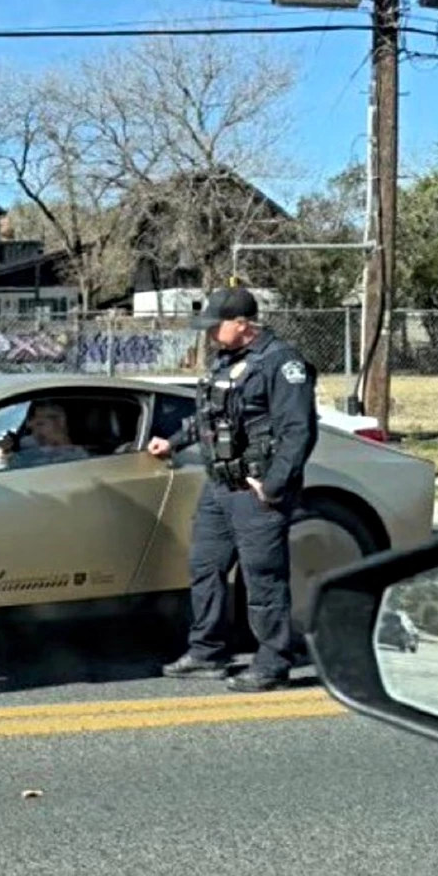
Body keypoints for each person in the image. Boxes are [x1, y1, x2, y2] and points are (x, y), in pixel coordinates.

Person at [146, 285, 318, 691]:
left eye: (215, 325)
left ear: (242, 323)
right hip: (220, 486)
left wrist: (273, 486)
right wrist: (173, 442)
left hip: (256, 490)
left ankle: (273, 663)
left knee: (263, 577)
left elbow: (299, 432)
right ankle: (207, 652)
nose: (209, 333)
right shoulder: (227, 361)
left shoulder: (282, 363)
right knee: (205, 567)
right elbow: (210, 416)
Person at [0, 400, 90, 471]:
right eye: (36, 418)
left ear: (63, 422)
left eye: (52, 418)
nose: (31, 425)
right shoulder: (26, 446)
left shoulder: (78, 453)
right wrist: (2, 456)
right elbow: (5, 476)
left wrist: (62, 443)